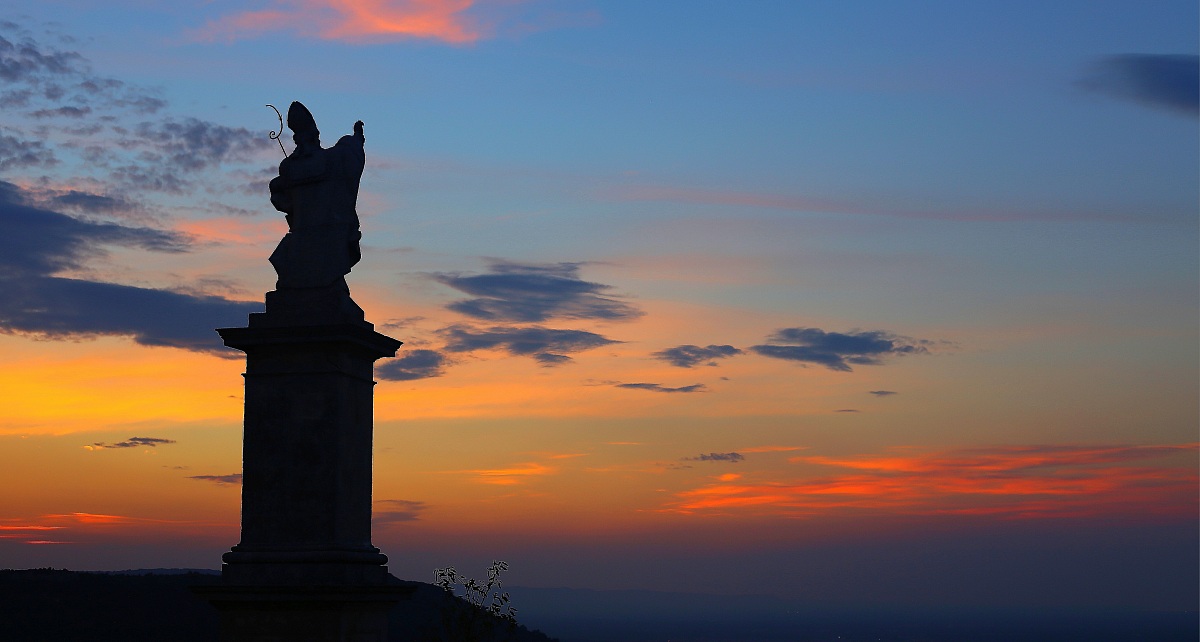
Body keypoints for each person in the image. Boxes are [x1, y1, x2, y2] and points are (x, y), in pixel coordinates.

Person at [267, 101, 364, 290]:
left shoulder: (289, 167)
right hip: (323, 239)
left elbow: (281, 200)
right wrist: (357, 139)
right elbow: (348, 151)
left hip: (305, 240)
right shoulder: (331, 160)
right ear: (315, 135)